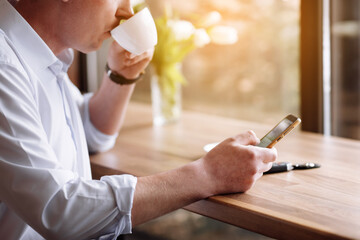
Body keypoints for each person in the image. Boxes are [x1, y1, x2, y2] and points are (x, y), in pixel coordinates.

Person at [0, 0, 277, 239]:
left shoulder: (42, 58)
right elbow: (60, 211)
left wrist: (123, 75)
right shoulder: (4, 66)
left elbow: (88, 133)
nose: (127, 13)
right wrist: (207, 174)